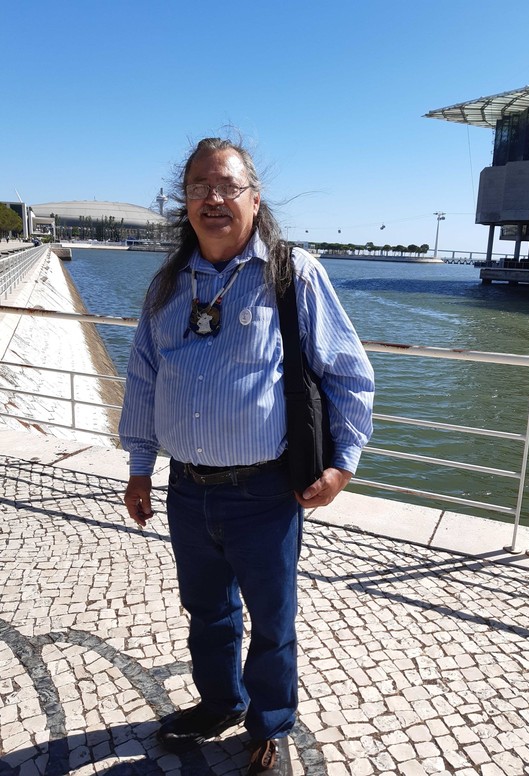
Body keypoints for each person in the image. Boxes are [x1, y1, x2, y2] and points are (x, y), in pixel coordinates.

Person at [119, 137, 374, 775]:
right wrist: (140, 468)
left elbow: (348, 372)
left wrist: (343, 462)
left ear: (254, 201)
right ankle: (219, 703)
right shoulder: (167, 286)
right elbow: (145, 379)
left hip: (266, 491)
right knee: (206, 611)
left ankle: (268, 722)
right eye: (199, 186)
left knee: (272, 619)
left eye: (227, 185)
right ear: (183, 203)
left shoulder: (292, 273)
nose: (213, 198)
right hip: (188, 487)